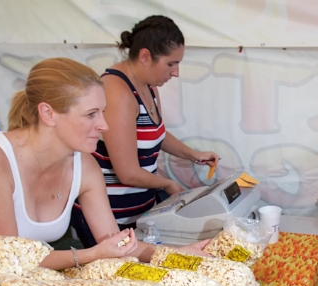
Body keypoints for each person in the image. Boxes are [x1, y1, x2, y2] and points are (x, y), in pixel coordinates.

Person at [0, 58, 201, 268]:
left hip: (10, 274)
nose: (104, 125)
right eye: (91, 114)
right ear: (48, 113)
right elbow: (8, 256)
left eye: (103, 112)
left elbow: (115, 242)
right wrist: (91, 254)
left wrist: (181, 254)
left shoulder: (86, 166)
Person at [70, 15, 218, 248]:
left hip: (139, 208)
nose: (176, 72)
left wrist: (193, 154)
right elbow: (127, 172)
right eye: (171, 63)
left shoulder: (148, 86)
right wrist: (168, 184)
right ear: (145, 56)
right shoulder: (116, 91)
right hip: (108, 215)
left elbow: (154, 133)